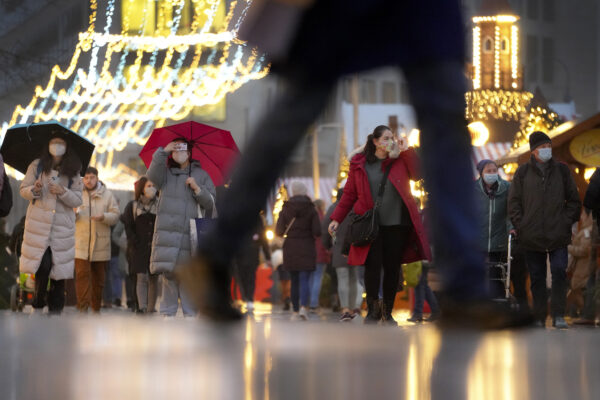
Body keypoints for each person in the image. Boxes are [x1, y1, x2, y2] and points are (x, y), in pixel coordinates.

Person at [181, 1, 530, 327]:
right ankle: (214, 254)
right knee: (303, 98)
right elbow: (349, 197)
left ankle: (464, 289)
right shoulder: (363, 165)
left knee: (445, 108)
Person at [328, 125, 431, 325]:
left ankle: (387, 312)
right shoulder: (360, 164)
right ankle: (373, 311)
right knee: (372, 268)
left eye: (391, 138)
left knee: (393, 268)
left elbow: (418, 174)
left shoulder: (400, 159)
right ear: (374, 141)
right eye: (385, 138)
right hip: (370, 225)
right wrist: (336, 218)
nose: (389, 141)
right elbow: (349, 194)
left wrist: (407, 150)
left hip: (397, 224)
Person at [508, 131, 581, 329]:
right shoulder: (522, 172)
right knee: (537, 277)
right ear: (534, 151)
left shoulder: (562, 171)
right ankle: (540, 317)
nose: (547, 149)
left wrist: (565, 221)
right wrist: (522, 224)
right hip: (531, 235)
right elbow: (513, 202)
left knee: (559, 271)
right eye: (542, 147)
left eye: (548, 146)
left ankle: (558, 314)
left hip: (558, 232)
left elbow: (574, 201)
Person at [147, 138, 216, 317]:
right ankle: (167, 317)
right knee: (168, 277)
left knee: (188, 277)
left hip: (189, 235)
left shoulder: (201, 175)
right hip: (167, 235)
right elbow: (152, 175)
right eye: (175, 149)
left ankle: (191, 316)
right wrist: (163, 151)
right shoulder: (165, 174)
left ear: (189, 152)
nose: (178, 152)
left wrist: (197, 188)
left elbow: (210, 203)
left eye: (181, 149)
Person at [19, 132, 83, 314]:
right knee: (43, 266)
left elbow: (78, 200)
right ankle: (38, 304)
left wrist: (63, 191)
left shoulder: (74, 170)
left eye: (60, 143)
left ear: (66, 146)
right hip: (39, 225)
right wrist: (35, 189)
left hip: (62, 228)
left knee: (59, 271)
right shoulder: (36, 166)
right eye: (54, 142)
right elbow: (24, 190)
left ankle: (56, 309)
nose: (57, 146)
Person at [74, 167, 120, 313]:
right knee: (82, 276)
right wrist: (73, 214)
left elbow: (116, 216)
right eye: (86, 178)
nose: (88, 180)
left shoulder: (107, 195)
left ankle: (96, 308)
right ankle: (82, 308)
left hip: (101, 244)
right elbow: (68, 216)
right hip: (81, 244)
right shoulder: (76, 194)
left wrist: (104, 217)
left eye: (92, 177)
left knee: (99, 280)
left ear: (97, 178)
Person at [275, 181, 321, 320]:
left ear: (293, 192)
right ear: (305, 191)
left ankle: (295, 311)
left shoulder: (286, 209)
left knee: (293, 279)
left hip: (291, 247)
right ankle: (303, 308)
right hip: (307, 246)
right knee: (305, 279)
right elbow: (317, 231)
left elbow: (279, 230)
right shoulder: (312, 209)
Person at [323, 187, 364, 321]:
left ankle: (345, 308)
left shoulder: (333, 208)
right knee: (354, 278)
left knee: (342, 279)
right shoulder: (358, 207)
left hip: (339, 249)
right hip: (355, 249)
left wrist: (328, 245)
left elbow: (325, 229)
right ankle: (352, 308)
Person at [121, 176, 159, 314]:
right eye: (149, 186)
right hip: (138, 247)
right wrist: (134, 241)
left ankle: (151, 308)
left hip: (155, 247)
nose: (152, 188)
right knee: (141, 277)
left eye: (153, 185)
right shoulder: (133, 206)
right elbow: (128, 226)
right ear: (142, 188)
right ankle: (142, 307)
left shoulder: (159, 205)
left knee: (154, 278)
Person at [233, 214, 271, 313]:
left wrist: (267, 256)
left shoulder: (257, 218)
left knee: (250, 276)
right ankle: (247, 297)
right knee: (243, 276)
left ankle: (249, 299)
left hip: (252, 253)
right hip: (240, 253)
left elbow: (262, 237)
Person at [566, 210, 594, 316]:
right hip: (581, 266)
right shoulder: (586, 230)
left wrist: (569, 248)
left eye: (583, 215)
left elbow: (584, 250)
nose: (581, 217)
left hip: (583, 266)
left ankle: (586, 312)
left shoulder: (588, 232)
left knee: (578, 289)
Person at [309, 199, 330, 313]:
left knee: (311, 278)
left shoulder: (310, 217)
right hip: (321, 252)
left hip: (310, 252)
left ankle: (308, 303)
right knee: (317, 278)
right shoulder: (324, 218)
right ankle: (313, 303)